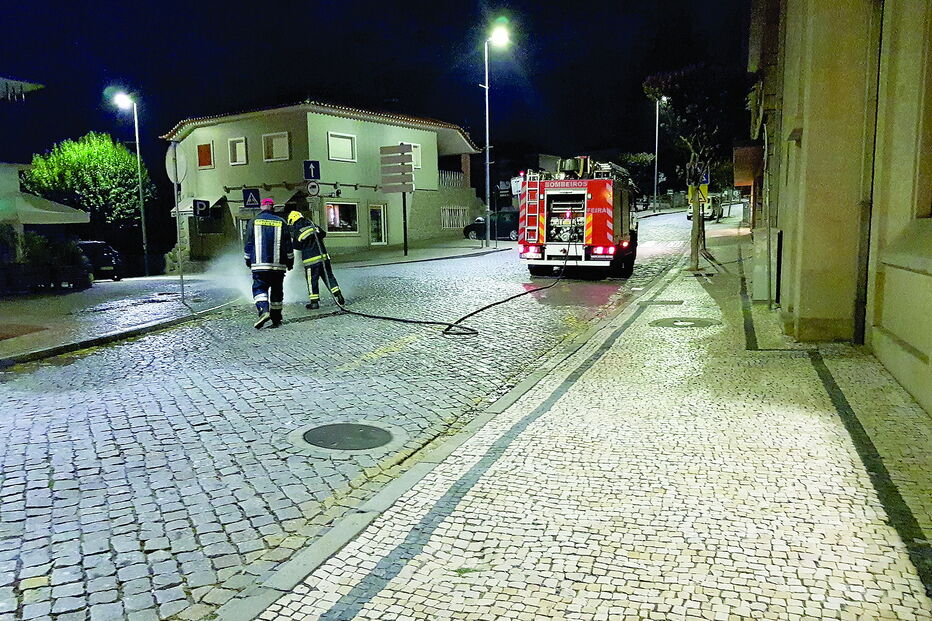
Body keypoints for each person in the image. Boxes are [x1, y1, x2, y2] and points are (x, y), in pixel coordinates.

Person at [244, 199, 293, 328]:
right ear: (273, 207)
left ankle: (264, 311)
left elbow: (249, 242)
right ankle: (276, 318)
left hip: (259, 264)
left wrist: (247, 259)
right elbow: (288, 244)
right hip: (278, 265)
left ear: (261, 207)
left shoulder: (254, 221)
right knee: (277, 290)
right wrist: (290, 261)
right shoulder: (281, 222)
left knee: (259, 288)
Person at [286, 210, 344, 309]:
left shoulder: (297, 230)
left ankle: (314, 302)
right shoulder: (312, 224)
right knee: (329, 277)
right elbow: (323, 234)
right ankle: (339, 295)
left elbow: (297, 247)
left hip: (311, 261)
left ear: (293, 221)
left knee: (312, 280)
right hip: (324, 257)